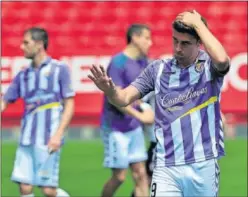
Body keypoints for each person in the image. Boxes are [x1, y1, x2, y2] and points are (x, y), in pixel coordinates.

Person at [88, 10, 230, 197]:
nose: (178, 48)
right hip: (165, 166)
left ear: (199, 42)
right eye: (175, 41)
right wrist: (110, 90)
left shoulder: (208, 67)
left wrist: (198, 24)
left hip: (203, 164)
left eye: (185, 43)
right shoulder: (158, 69)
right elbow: (123, 98)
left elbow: (222, 60)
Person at [1, 27, 74, 197]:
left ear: (39, 44)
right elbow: (4, 101)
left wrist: (58, 134)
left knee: (48, 190)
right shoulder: (23, 75)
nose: (21, 46)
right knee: (25, 187)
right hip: (26, 138)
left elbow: (69, 104)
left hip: (48, 138)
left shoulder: (59, 69)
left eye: (26, 42)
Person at [99, 24, 154, 197]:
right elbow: (116, 99)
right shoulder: (118, 63)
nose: (150, 42)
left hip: (134, 127)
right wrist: (141, 115)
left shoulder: (144, 62)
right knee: (119, 177)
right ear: (135, 38)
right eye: (146, 38)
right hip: (116, 127)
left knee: (141, 174)